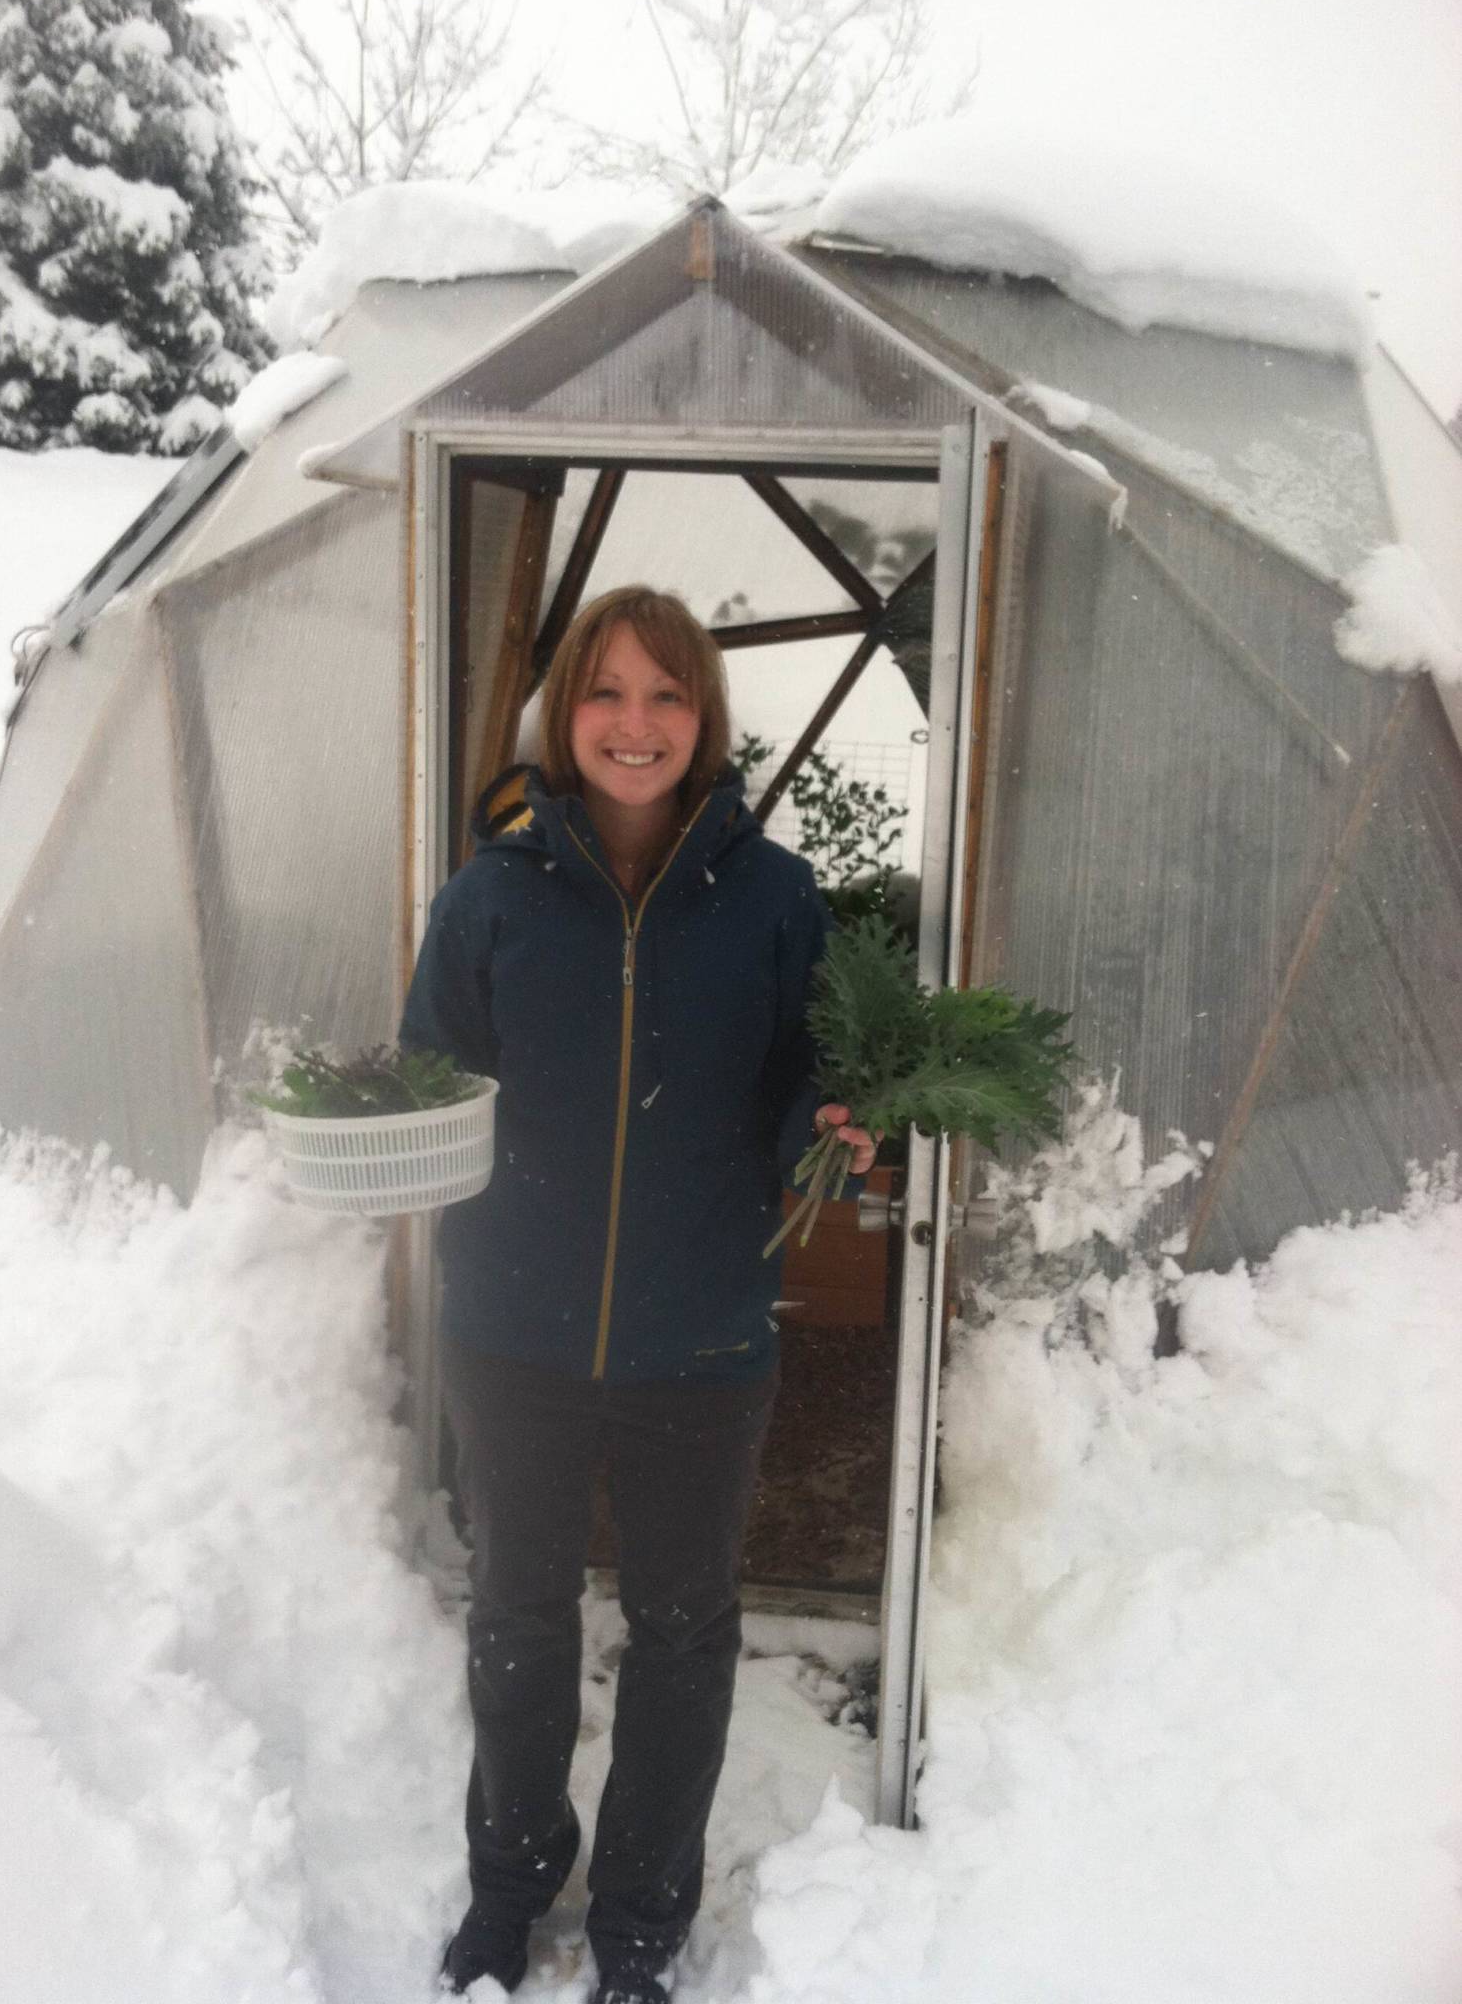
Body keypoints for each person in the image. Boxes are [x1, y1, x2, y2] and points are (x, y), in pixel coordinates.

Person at [399, 584, 878, 2004]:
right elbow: (433, 1071)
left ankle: (641, 1926)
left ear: (706, 723)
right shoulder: (487, 898)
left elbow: (807, 1081)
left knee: (682, 1629)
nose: (635, 723)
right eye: (606, 692)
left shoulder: (776, 900)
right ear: (565, 716)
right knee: (520, 1612)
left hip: (702, 1332)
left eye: (667, 695)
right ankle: (506, 1890)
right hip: (510, 1326)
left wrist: (828, 1137)